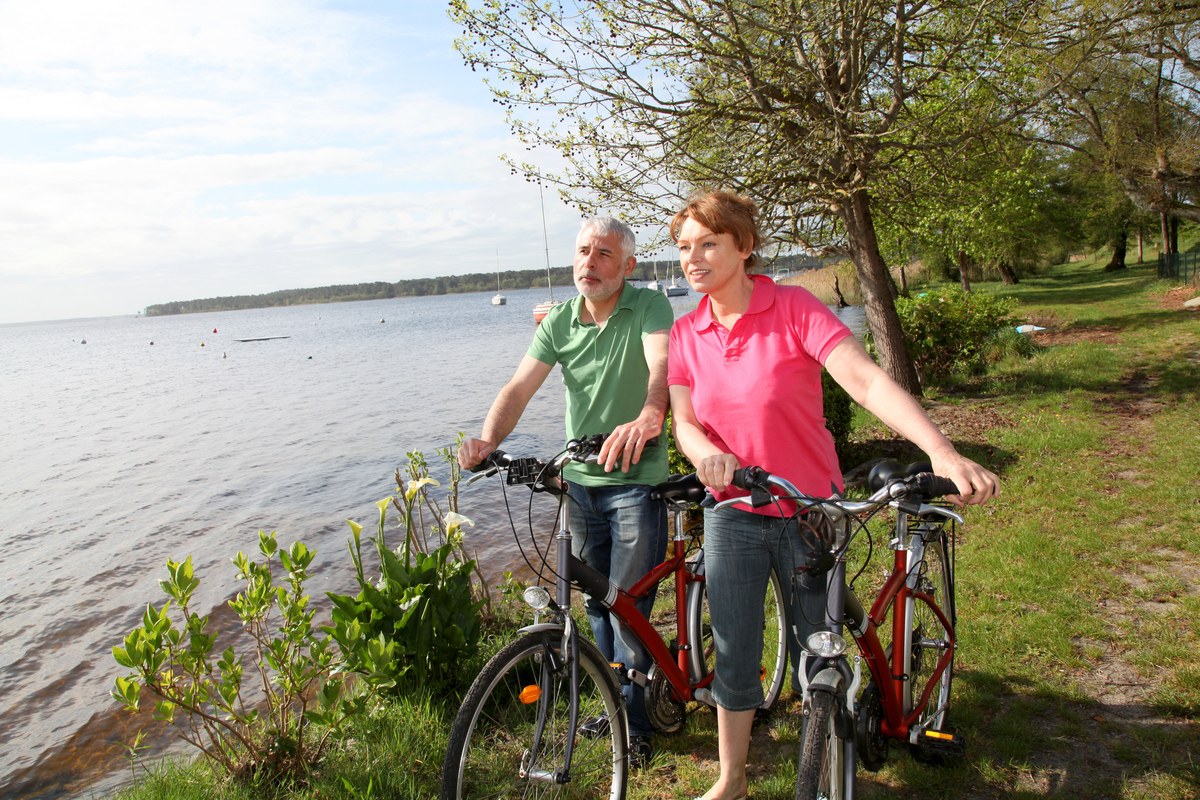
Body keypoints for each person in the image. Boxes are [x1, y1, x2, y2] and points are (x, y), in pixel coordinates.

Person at [666, 191, 999, 800]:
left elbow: (866, 380)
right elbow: (685, 421)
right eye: (684, 246)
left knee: (816, 649)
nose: (693, 257)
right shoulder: (686, 332)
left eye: (708, 243)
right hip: (733, 513)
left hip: (811, 511)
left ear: (744, 246)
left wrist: (940, 451)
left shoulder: (793, 307)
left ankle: (829, 754)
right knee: (735, 652)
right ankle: (731, 778)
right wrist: (702, 454)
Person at [457, 215, 674, 768]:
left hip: (635, 481)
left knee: (630, 606)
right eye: (583, 251)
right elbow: (519, 386)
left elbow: (661, 367)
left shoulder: (648, 307)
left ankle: (640, 719)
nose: (589, 262)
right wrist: (487, 439)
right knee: (596, 605)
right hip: (580, 483)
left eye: (603, 254)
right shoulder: (559, 320)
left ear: (626, 265)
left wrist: (652, 413)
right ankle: (613, 701)